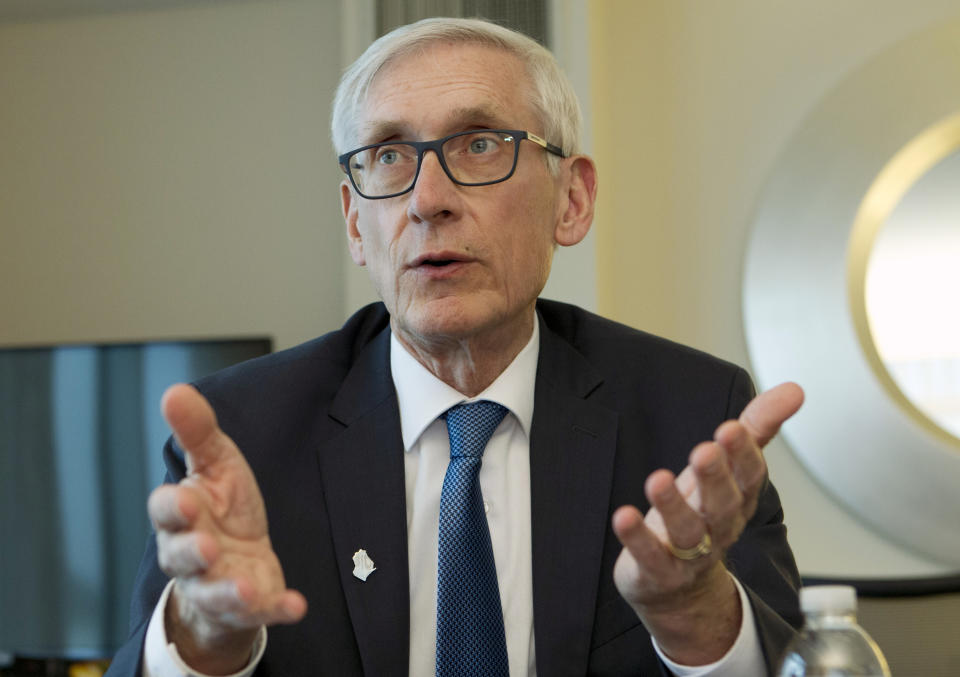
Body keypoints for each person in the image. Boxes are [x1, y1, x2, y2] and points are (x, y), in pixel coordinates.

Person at [106, 17, 805, 677]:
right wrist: (204, 639)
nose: (427, 199)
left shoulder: (691, 415)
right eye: (388, 156)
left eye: (479, 144)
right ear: (355, 223)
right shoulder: (244, 433)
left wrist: (696, 619)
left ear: (572, 200)